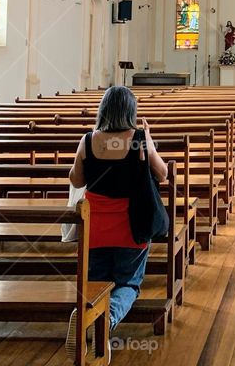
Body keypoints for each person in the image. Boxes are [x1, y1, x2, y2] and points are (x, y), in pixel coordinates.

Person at [67, 86, 168, 362]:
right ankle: (107, 319)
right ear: (130, 111)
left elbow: (76, 180)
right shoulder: (138, 138)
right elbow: (163, 174)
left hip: (95, 228)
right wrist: (147, 140)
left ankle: (87, 318)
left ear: (103, 110)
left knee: (96, 282)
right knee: (128, 284)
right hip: (131, 228)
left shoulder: (88, 140)